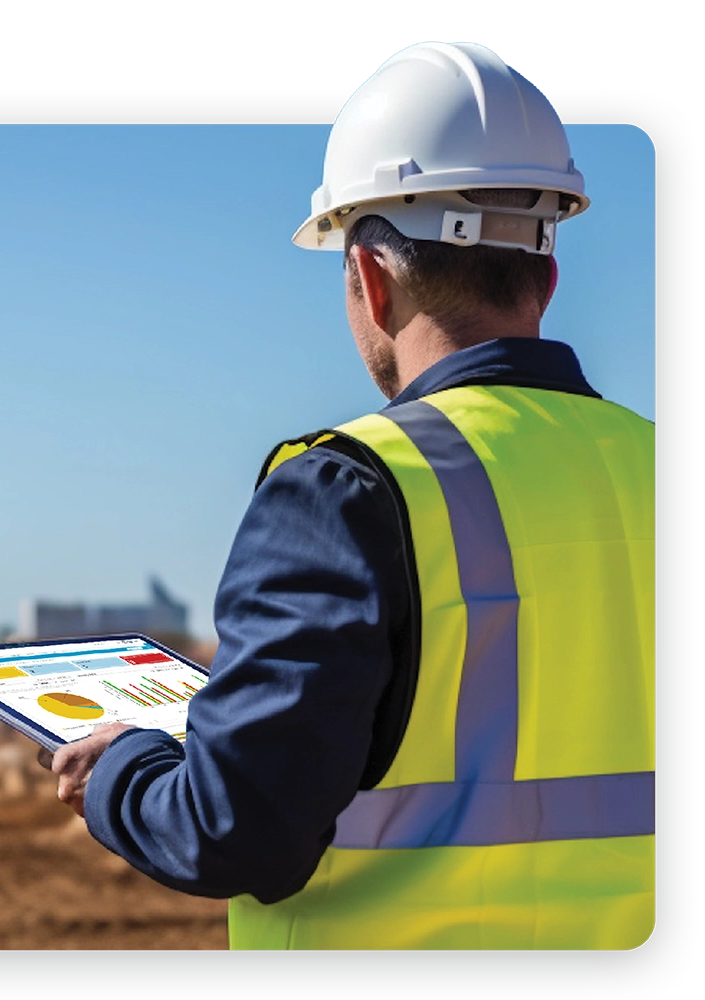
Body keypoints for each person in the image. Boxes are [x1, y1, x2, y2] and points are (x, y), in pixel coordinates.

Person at [37, 42, 655, 950]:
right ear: (547, 278)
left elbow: (235, 830)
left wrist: (123, 769)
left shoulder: (348, 489)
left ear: (369, 276)